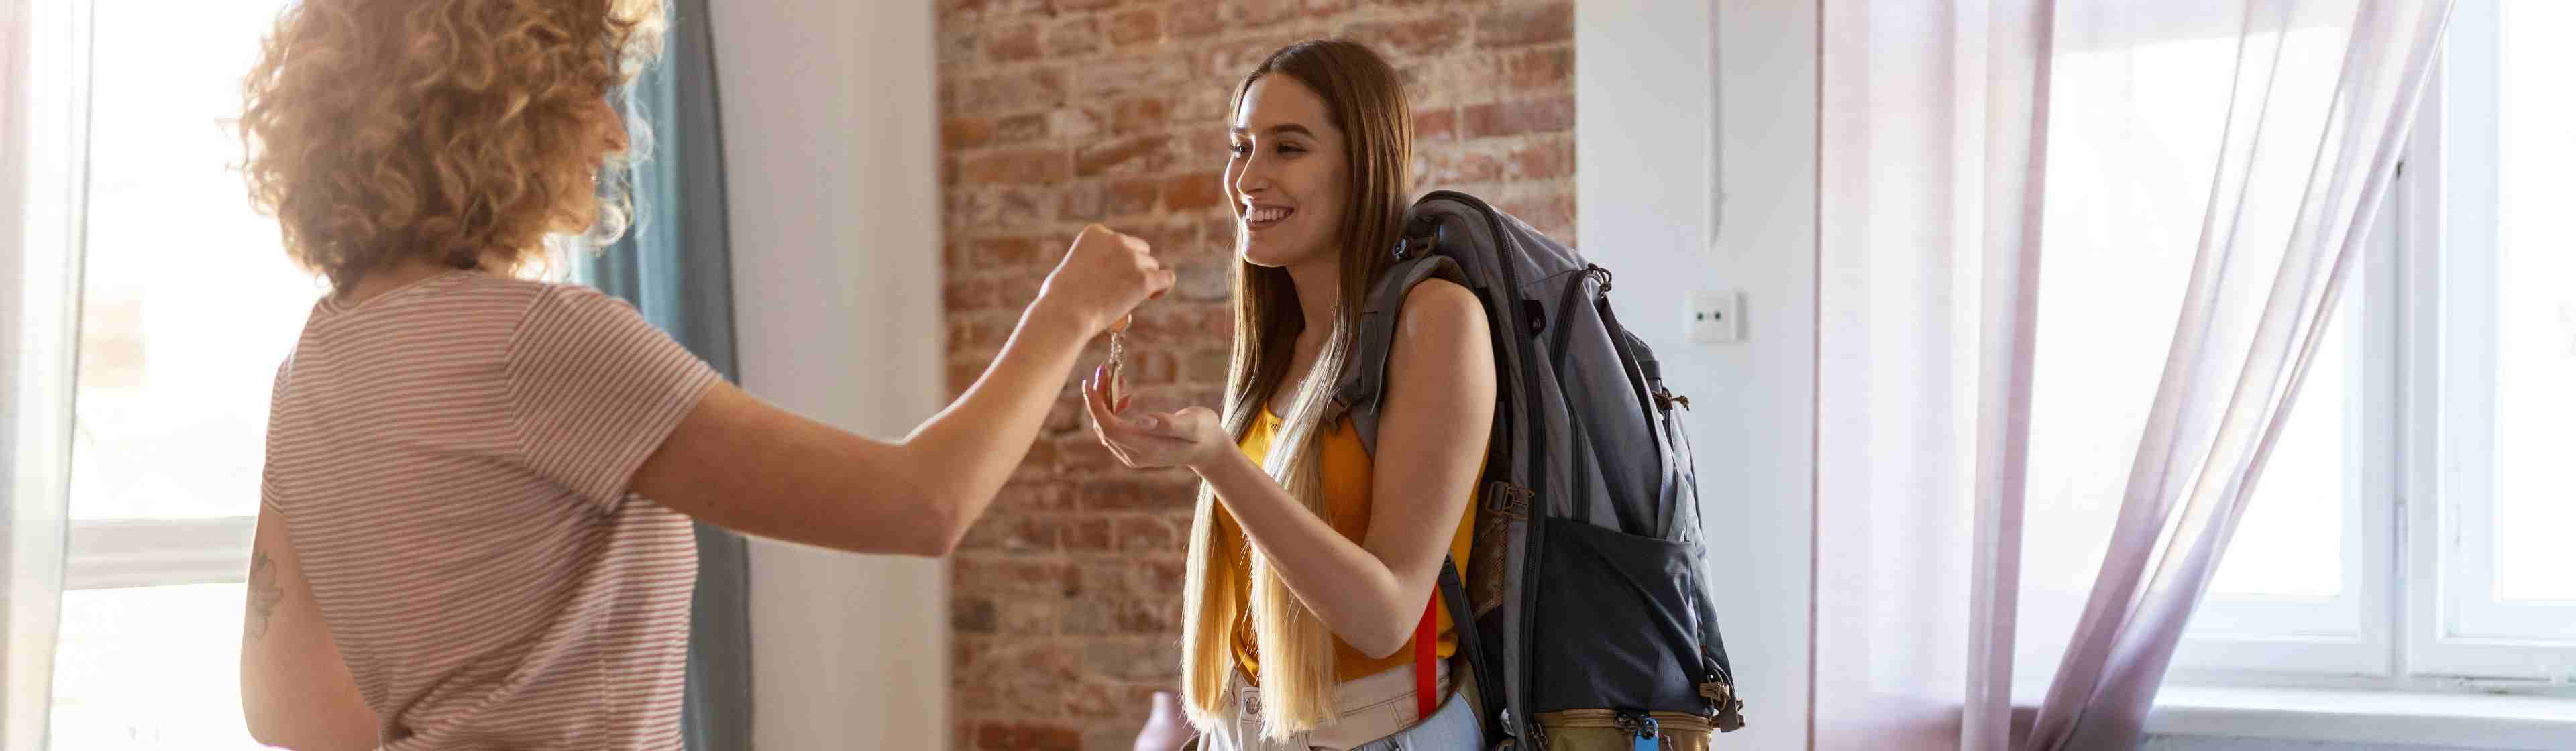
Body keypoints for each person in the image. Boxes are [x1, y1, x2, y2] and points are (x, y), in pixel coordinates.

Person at [230, 1, 1172, 748]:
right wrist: (1067, 311)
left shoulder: (312, 365)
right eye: (585, 90)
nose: (611, 129)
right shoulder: (545, 344)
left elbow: (287, 710)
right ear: (490, 115)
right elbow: (923, 504)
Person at [1085, 39, 1494, 750]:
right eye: (1240, 147)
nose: (1248, 178)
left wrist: (1216, 460)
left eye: (1287, 148)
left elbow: (1383, 616)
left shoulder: (1436, 319)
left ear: (1361, 165)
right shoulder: (1283, 340)